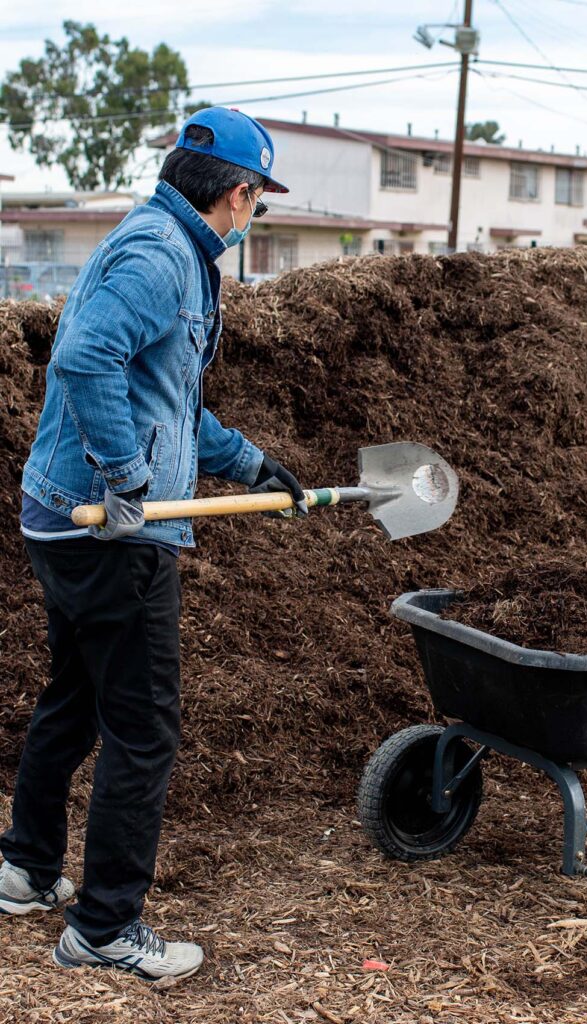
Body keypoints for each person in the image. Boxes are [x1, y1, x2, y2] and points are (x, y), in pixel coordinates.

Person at [0, 107, 307, 980]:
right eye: (258, 199)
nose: (254, 213)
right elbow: (85, 363)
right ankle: (103, 929)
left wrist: (252, 465)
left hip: (63, 519)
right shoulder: (161, 257)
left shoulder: (163, 245)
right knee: (144, 729)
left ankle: (25, 868)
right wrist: (130, 480)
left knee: (75, 698)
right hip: (109, 533)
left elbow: (166, 400)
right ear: (240, 193)